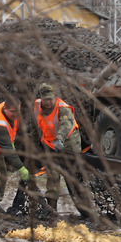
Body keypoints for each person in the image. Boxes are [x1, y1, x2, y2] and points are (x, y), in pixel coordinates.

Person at [32, 83, 93, 218]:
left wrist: (59, 139)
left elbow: (66, 125)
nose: (48, 102)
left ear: (55, 97)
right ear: (41, 98)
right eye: (46, 99)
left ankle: (85, 211)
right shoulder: (37, 106)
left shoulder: (63, 108)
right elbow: (34, 125)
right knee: (52, 175)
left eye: (51, 99)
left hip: (69, 144)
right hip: (50, 145)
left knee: (72, 177)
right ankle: (52, 210)